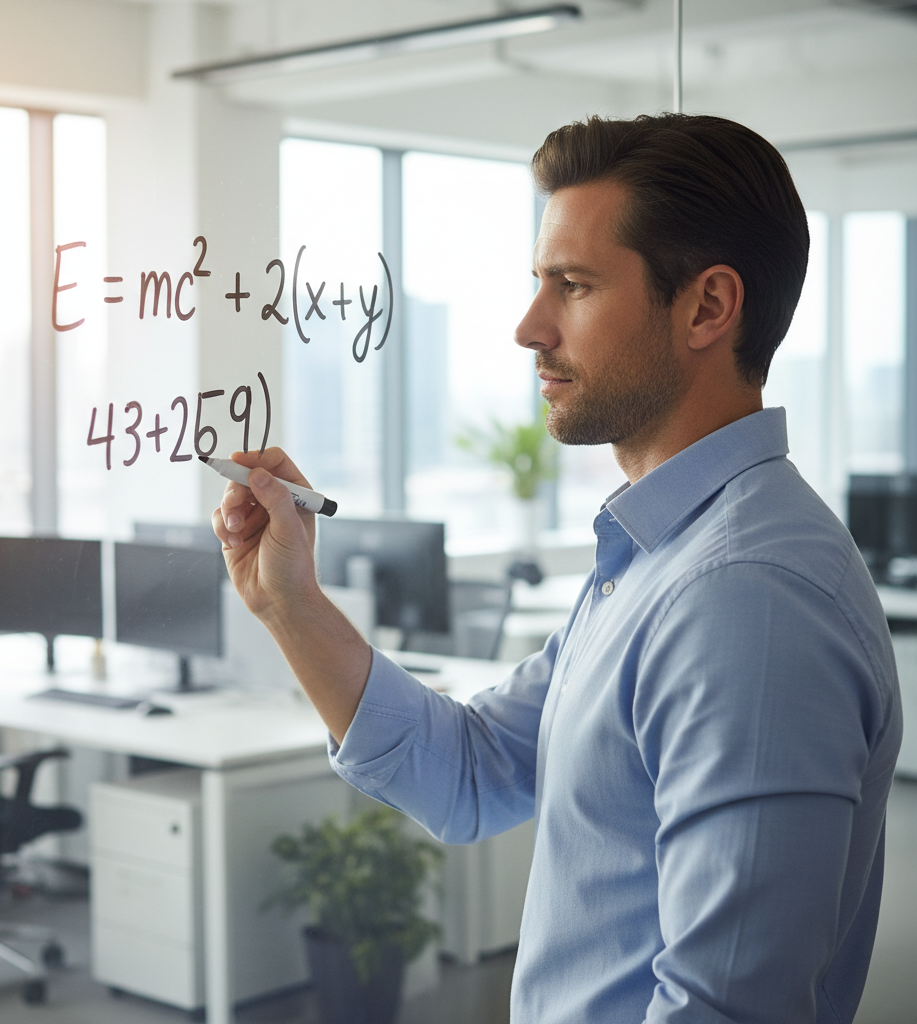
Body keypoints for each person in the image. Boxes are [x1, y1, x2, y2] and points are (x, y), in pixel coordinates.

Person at [212, 114, 901, 1023]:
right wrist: (289, 604)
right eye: (540, 283)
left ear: (707, 306)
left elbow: (729, 1008)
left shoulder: (747, 600)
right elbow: (473, 771)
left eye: (571, 286)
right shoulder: (661, 558)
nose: (529, 327)